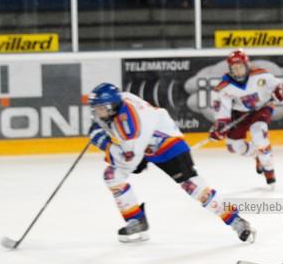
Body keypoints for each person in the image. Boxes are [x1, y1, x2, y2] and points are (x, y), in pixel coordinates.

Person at [87, 83, 255, 243]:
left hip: (169, 147)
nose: (98, 112)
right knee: (112, 176)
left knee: (195, 189)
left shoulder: (131, 128)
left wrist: (104, 143)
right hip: (144, 145)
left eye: (101, 109)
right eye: (97, 109)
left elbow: (129, 162)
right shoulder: (122, 99)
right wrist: (104, 124)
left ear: (113, 106)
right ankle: (136, 220)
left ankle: (236, 221)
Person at [210, 49, 283, 188]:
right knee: (234, 147)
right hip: (239, 114)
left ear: (247, 65)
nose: (238, 71)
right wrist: (220, 128)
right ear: (230, 69)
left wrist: (282, 90)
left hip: (261, 109)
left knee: (259, 136)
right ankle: (258, 155)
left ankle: (268, 169)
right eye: (234, 68)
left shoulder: (261, 75)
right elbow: (222, 113)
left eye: (240, 67)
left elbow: (281, 87)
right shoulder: (223, 88)